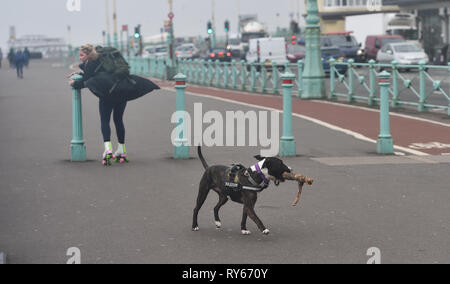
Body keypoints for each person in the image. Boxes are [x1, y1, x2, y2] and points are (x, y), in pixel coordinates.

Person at [68, 44, 160, 166]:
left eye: (82, 55)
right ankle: (122, 150)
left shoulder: (90, 63)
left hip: (107, 95)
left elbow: (86, 81)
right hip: (121, 91)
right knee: (118, 120)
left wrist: (74, 83)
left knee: (105, 120)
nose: (80, 58)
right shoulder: (106, 58)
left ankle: (108, 148)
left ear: (88, 54)